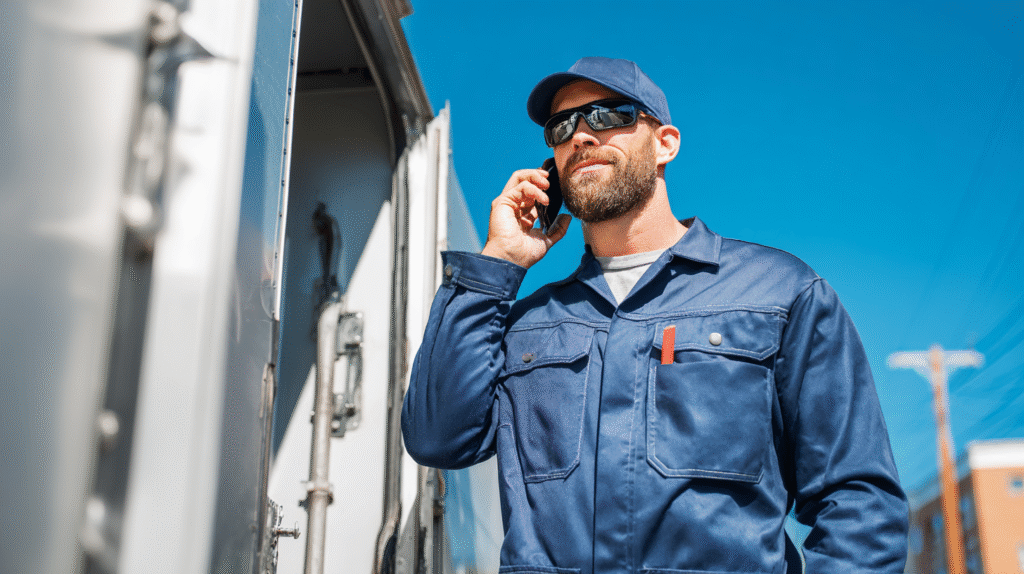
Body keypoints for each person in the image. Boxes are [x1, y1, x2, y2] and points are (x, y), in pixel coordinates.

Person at [402, 57, 908, 574]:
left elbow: (857, 502)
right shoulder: (530, 323)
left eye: (608, 116)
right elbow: (438, 437)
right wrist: (497, 263)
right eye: (563, 126)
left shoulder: (781, 292)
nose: (581, 137)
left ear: (665, 143)